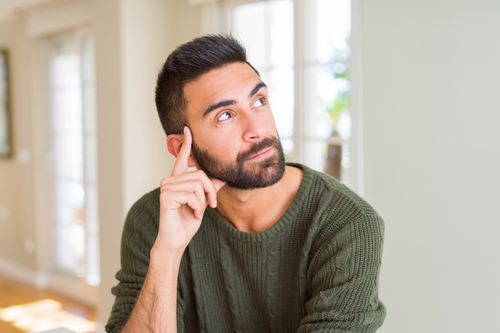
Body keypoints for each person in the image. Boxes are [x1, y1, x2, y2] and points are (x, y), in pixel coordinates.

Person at [105, 34, 386, 333]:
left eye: (259, 101)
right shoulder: (154, 220)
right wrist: (167, 254)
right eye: (225, 115)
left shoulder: (348, 224)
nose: (258, 128)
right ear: (181, 148)